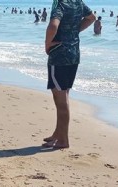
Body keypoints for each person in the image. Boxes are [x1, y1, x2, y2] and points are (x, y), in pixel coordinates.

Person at [42, 0, 95, 149]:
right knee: (63, 95)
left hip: (59, 56)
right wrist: (72, 31)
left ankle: (63, 140)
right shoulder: (77, 2)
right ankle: (58, 134)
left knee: (61, 100)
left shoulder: (59, 3)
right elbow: (91, 18)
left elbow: (53, 25)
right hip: (74, 55)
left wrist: (47, 44)